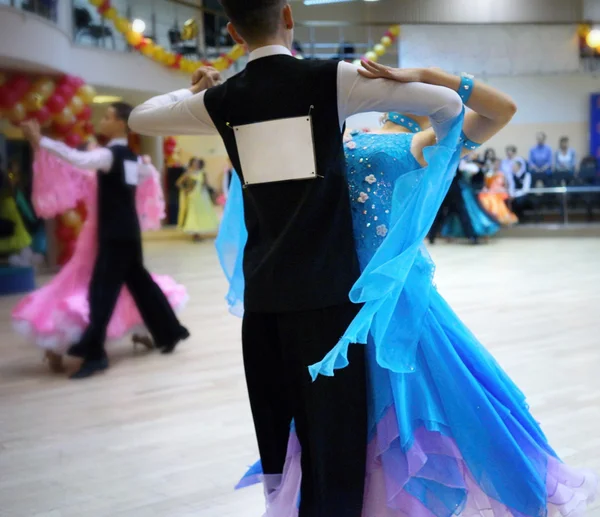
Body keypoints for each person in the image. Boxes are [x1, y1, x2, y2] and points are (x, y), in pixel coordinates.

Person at [128, 1, 467, 515]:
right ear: (288, 14)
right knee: (337, 453)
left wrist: (196, 90)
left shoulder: (222, 100)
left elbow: (141, 116)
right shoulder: (333, 79)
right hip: (329, 303)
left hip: (263, 306)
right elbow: (446, 104)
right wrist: (407, 76)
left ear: (233, 32)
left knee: (284, 451)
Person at [222, 60, 598, 517]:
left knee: (433, 404)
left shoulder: (420, 141)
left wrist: (429, 76)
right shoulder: (330, 133)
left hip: (394, 298)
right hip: (331, 298)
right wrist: (221, 92)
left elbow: (502, 110)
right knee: (345, 415)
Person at [20, 105, 189, 379]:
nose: (104, 120)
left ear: (122, 124)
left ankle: (95, 353)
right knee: (141, 284)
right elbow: (146, 180)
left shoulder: (109, 155)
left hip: (114, 234)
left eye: (109, 116)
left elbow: (76, 158)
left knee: (103, 292)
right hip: (129, 233)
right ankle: (169, 332)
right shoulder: (133, 159)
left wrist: (41, 141)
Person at [440, 152, 500, 242]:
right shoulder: (465, 165)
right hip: (463, 192)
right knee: (463, 213)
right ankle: (468, 235)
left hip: (465, 192)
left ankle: (474, 234)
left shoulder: (469, 166)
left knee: (470, 212)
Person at [176, 157, 219, 240]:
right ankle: (195, 233)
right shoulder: (188, 173)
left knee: (202, 213)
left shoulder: (203, 173)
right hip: (192, 196)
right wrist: (186, 190)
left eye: (198, 162)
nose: (196, 164)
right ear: (191, 163)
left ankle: (199, 232)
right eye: (194, 162)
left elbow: (206, 184)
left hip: (202, 196)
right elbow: (179, 183)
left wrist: (214, 191)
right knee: (193, 213)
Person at [506, 157, 532, 221]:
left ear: (519, 166)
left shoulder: (527, 175)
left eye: (515, 165)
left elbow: (525, 189)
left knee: (519, 201)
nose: (513, 167)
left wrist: (515, 195)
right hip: (514, 195)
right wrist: (511, 194)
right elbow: (511, 187)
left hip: (522, 195)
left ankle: (521, 218)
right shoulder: (511, 175)